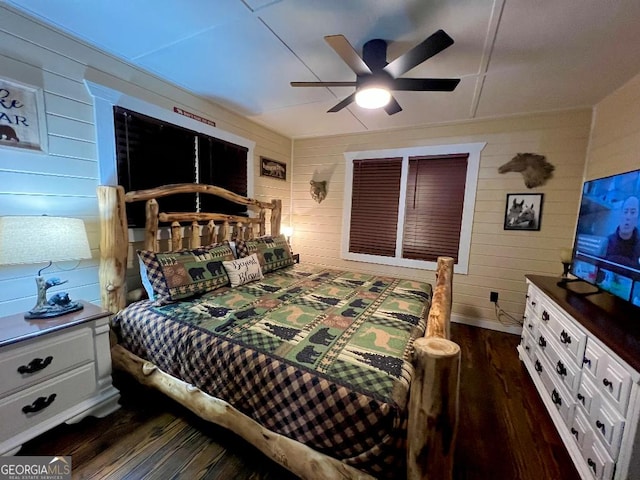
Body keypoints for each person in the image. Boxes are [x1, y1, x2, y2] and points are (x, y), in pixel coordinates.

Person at [606, 195, 640, 268]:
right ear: (620, 215)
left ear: (637, 220)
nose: (628, 217)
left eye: (632, 212)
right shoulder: (607, 242)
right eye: (625, 212)